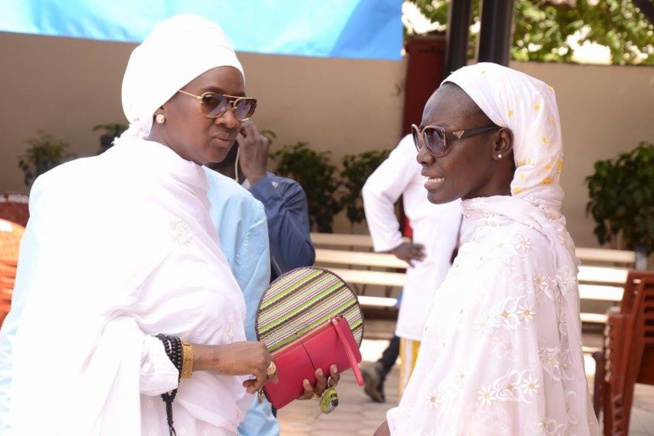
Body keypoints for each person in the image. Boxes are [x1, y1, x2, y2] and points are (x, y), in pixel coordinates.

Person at [0, 14, 336, 435]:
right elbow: (64, 344)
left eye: (240, 105)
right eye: (211, 100)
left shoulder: (211, 200)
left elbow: (236, 344)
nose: (231, 120)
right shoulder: (84, 192)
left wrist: (276, 370)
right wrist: (215, 358)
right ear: (160, 101)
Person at [375, 62, 599, 435]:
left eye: (439, 137)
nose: (422, 155)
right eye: (421, 136)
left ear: (499, 144)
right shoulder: (497, 237)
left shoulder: (511, 251)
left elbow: (484, 415)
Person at [360, 134, 462, 403]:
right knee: (418, 401)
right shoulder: (418, 144)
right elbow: (375, 191)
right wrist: (394, 243)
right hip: (429, 279)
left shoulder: (478, 143)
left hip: (472, 291)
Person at [202, 167, 281, 436]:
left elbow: (246, 339)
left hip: (212, 406)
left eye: (240, 119)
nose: (227, 121)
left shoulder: (239, 204)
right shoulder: (84, 187)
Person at [206, 121, 315, 282]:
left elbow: (297, 268)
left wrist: (258, 180)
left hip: (262, 305)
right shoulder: (189, 187)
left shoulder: (283, 191)